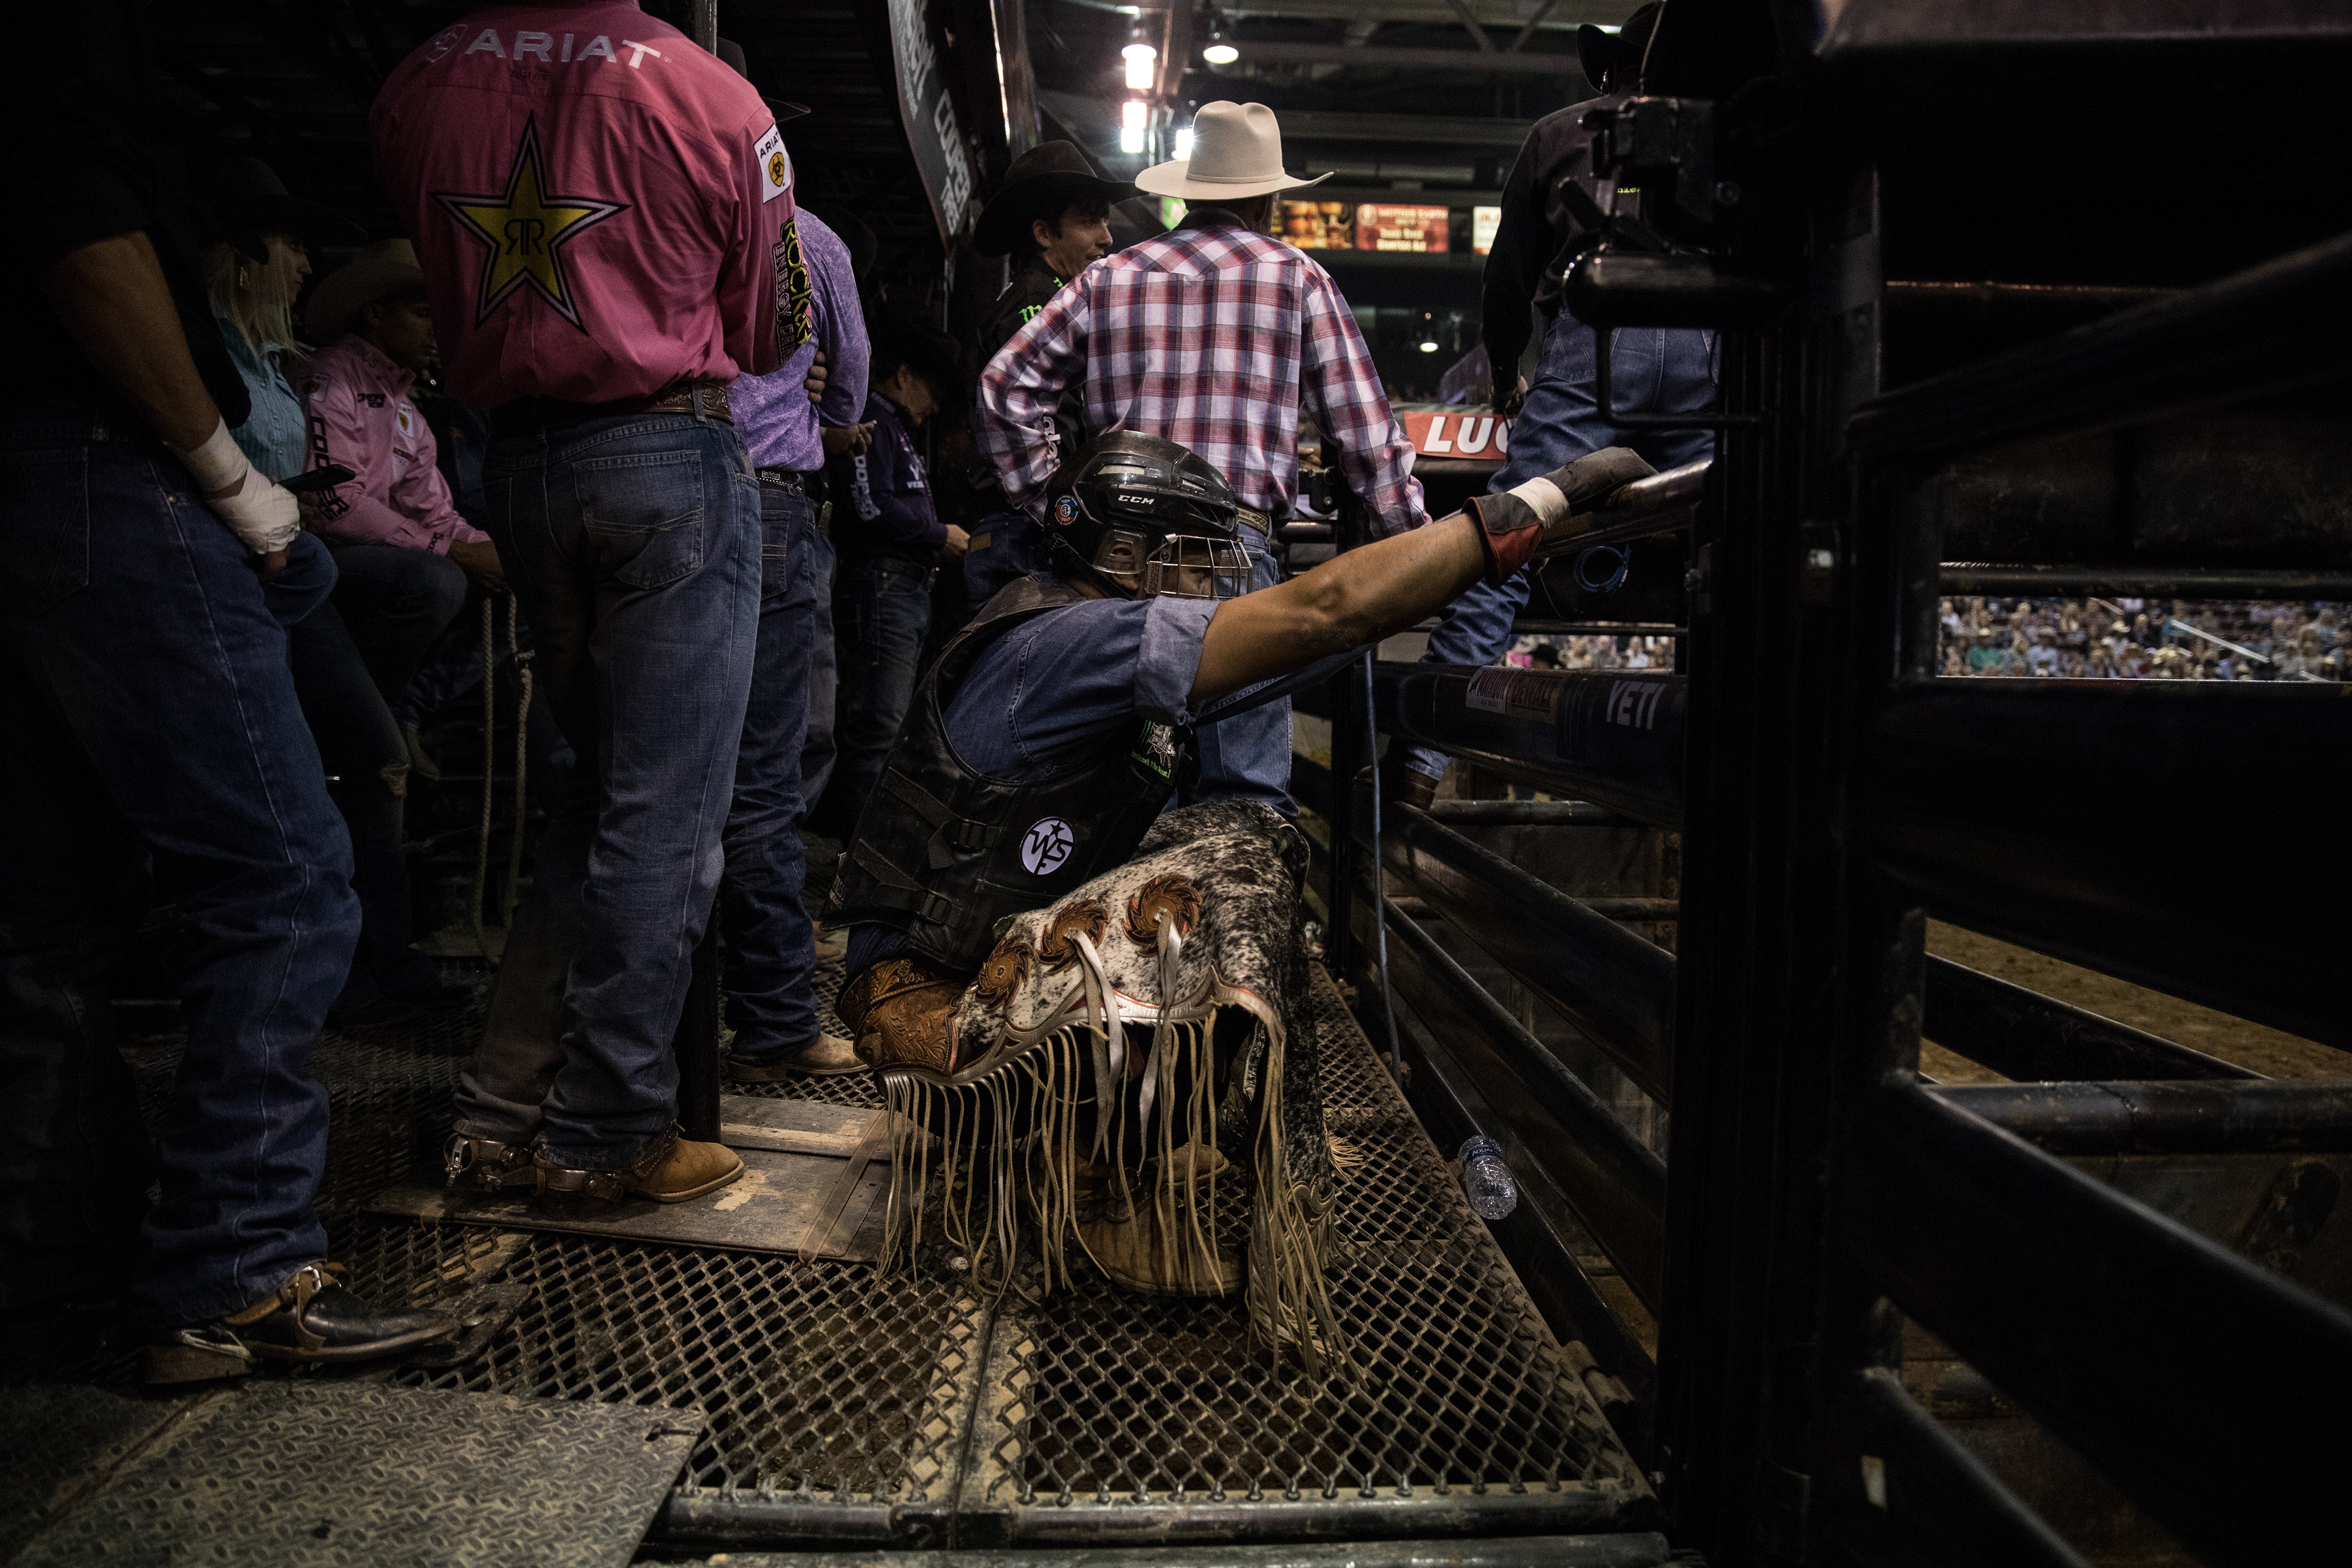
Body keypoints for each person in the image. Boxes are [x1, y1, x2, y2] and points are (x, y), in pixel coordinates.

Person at [825, 427, 1654, 1319]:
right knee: (1234, 869)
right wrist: (1523, 515)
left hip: (946, 975)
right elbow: (1327, 610)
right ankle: (1102, 1198)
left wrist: (1472, 575)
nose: (1208, 582)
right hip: (931, 1022)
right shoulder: (1082, 639)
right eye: (1189, 559)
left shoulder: (1066, 622)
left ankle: (1087, 1152)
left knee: (1235, 840)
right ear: (1121, 555)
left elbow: (1327, 635)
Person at [1, 6, 453, 1380]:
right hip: (102, 466)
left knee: (46, 913)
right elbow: (82, 239)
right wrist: (229, 477)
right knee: (280, 877)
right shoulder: (68, 55)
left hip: (25, 475)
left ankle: (56, 1273)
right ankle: (239, 1263)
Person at [378, 1, 805, 1210]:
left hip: (514, 467)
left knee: (594, 803)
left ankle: (499, 1117)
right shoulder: (715, 97)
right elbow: (779, 327)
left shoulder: (423, 74)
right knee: (666, 817)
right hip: (665, 460)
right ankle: (611, 1125)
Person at [978, 102, 1427, 819]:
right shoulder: (1297, 278)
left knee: (1121, 791)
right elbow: (1369, 442)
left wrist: (1057, 511)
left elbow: (1005, 389)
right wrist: (1417, 550)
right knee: (1240, 795)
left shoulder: (1110, 277)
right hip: (1230, 560)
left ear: (1188, 190)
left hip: (1116, 558)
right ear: (1266, 198)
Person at [1390, 2, 1718, 807]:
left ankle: (1420, 766)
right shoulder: (1718, 130)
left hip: (1597, 331)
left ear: (1610, 68)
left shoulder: (1560, 131)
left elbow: (1508, 277)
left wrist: (1506, 372)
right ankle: (1727, 761)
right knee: (1724, 542)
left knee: (1509, 541)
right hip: (1711, 332)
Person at [199, 162, 473, 1030]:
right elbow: (337, 498)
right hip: (259, 574)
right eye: (289, 249)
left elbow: (413, 499)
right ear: (243, 260)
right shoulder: (287, 373)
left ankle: (373, 969)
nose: (303, 266)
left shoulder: (283, 368)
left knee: (369, 756)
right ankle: (360, 978)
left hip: (295, 573)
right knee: (368, 752)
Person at [722, 146, 875, 1079]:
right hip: (768, 496)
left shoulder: (630, 225)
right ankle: (775, 1016)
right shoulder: (802, 237)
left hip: (635, 479)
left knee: (639, 781)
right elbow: (849, 386)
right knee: (762, 779)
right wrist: (804, 393)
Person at [300, 239, 507, 777]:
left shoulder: (406, 409)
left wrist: (491, 553)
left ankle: (401, 708)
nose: (435, 330)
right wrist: (455, 552)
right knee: (436, 582)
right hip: (323, 552)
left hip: (379, 557)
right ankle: (357, 710)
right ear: (374, 314)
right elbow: (332, 503)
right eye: (421, 314)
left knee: (522, 580)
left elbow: (434, 510)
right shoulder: (331, 379)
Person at [812, 314, 969, 838]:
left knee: (885, 725)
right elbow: (867, 505)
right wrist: (934, 535)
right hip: (883, 584)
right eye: (932, 387)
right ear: (903, 376)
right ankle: (853, 857)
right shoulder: (871, 418)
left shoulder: (893, 427)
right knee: (877, 727)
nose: (937, 403)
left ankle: (856, 852)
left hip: (900, 586)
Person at [962, 142, 1131, 607]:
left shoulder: (1044, 298)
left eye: (1105, 220)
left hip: (1018, 530)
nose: (1106, 237)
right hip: (1026, 532)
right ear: (1043, 233)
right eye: (1089, 220)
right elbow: (1029, 414)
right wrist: (1058, 512)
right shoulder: (1038, 308)